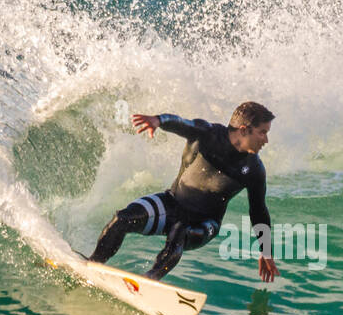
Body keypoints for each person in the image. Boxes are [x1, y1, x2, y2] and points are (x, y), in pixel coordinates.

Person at [88, 101, 281, 282]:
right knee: (122, 219)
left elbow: (258, 211)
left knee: (179, 230)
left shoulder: (254, 169)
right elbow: (182, 123)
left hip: (205, 223)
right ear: (244, 130)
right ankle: (91, 265)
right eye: (262, 132)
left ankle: (150, 280)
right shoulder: (208, 134)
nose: (266, 140)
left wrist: (266, 251)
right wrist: (159, 120)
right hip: (172, 203)